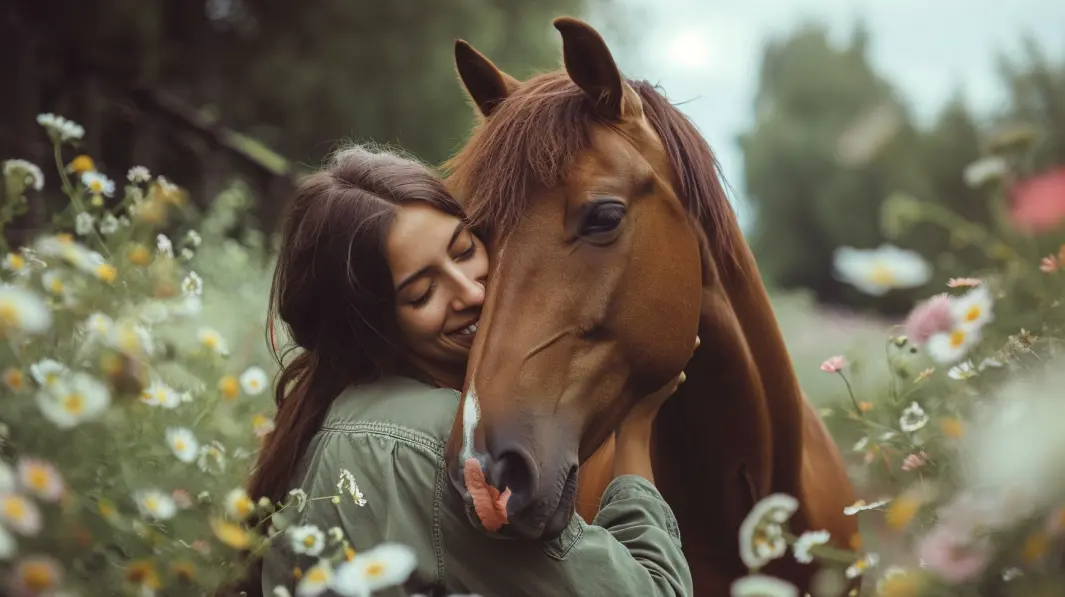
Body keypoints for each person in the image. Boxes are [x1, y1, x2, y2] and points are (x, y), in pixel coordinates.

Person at [248, 144, 694, 596]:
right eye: (422, 294)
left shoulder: (324, 420)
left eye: (464, 250)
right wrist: (636, 433)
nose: (471, 293)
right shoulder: (451, 447)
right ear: (372, 329)